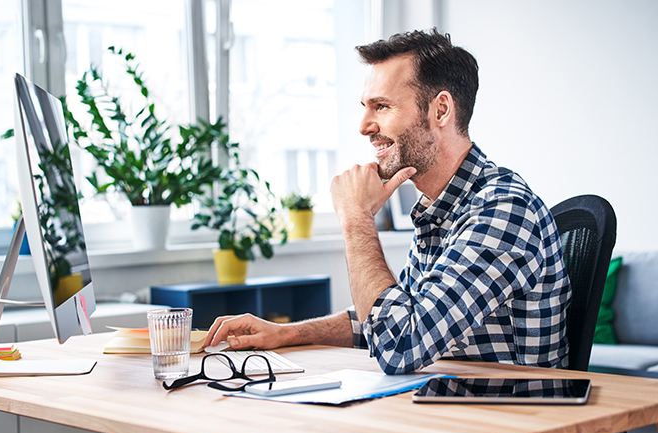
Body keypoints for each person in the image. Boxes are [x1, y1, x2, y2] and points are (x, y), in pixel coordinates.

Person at [203, 28, 572, 374]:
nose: (364, 126)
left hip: (509, 426)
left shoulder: (502, 210)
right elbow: (389, 322)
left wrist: (356, 217)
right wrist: (286, 334)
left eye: (381, 107)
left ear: (440, 110)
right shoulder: (441, 209)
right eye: (366, 107)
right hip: (448, 410)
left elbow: (399, 345)